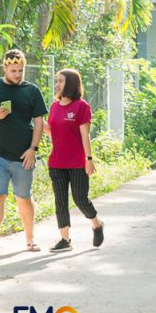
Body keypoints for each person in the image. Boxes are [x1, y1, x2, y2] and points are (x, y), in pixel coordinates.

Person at [0, 49, 48, 255]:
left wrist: (33, 149)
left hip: (23, 155)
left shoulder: (31, 90)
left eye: (21, 70)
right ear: (4, 67)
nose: (17, 74)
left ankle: (30, 239)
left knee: (23, 197)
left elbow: (39, 122)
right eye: (14, 70)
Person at [44, 69, 104, 252]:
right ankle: (65, 239)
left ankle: (96, 224)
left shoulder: (82, 106)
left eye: (61, 81)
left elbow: (85, 135)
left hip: (77, 162)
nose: (57, 84)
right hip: (56, 162)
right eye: (56, 81)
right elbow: (51, 130)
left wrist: (89, 159)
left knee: (80, 199)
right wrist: (37, 122)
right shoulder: (54, 107)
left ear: (70, 83)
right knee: (60, 201)